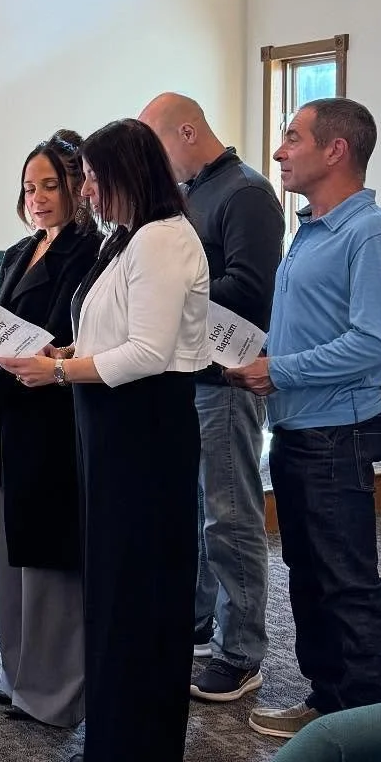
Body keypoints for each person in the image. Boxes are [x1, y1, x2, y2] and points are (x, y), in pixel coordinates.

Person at [0, 119, 210, 762]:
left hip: (145, 428)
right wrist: (67, 354)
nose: (86, 190)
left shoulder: (162, 240)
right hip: (111, 424)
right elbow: (111, 332)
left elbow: (149, 353)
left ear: (130, 174)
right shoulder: (129, 241)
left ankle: (139, 758)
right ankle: (115, 745)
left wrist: (60, 372)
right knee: (114, 594)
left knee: (141, 595)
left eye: (94, 177)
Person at [228, 99, 381, 739]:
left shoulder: (372, 233)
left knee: (346, 580)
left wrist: (282, 369)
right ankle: (330, 704)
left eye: (293, 138)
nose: (279, 152)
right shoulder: (311, 229)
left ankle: (376, 733)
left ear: (336, 151)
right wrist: (257, 356)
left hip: (337, 431)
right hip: (300, 427)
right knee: (309, 573)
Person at [140, 93, 284, 704]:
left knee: (230, 517)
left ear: (188, 131)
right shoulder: (192, 191)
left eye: (158, 145)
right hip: (191, 378)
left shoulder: (246, 193)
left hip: (225, 382)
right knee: (197, 515)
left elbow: (250, 292)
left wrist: (168, 295)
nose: (154, 161)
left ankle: (241, 651)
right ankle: (200, 625)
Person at [0, 133, 100, 728]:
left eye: (50, 186)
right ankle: (19, 679)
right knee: (14, 559)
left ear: (77, 187)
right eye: (29, 188)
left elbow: (77, 334)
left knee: (52, 563)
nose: (38, 198)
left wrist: (47, 362)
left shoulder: (91, 252)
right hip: (9, 419)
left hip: (54, 416)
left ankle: (57, 693)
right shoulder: (22, 250)